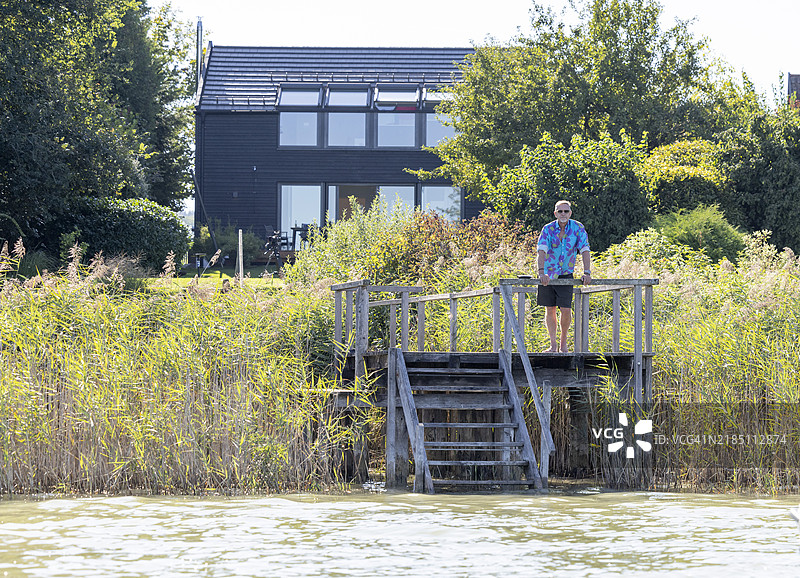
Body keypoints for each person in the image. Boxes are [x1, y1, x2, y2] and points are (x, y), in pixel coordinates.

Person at [536, 200, 591, 353]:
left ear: (570, 213)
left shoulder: (577, 228)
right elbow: (541, 250)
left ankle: (563, 344)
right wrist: (541, 272)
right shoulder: (547, 229)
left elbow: (585, 249)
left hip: (566, 274)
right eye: (560, 211)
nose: (563, 214)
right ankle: (553, 345)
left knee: (566, 309)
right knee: (550, 309)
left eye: (566, 211)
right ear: (555, 213)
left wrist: (587, 272)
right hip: (549, 274)